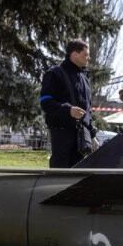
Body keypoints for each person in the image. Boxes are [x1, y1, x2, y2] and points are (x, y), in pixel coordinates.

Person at [40, 39, 96, 168]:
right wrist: (67, 110)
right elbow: (45, 102)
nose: (89, 58)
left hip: (82, 138)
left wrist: (92, 135)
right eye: (85, 54)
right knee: (59, 177)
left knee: (77, 178)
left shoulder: (84, 78)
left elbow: (88, 110)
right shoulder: (54, 73)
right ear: (74, 54)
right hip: (61, 134)